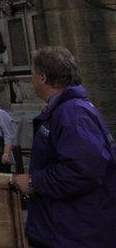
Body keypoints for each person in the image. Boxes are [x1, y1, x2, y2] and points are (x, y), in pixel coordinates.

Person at [11, 47, 116, 248]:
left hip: (75, 230)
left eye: (32, 74)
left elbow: (84, 169)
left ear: (42, 78)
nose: (31, 80)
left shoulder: (73, 113)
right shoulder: (64, 110)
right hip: (64, 226)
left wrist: (34, 182)